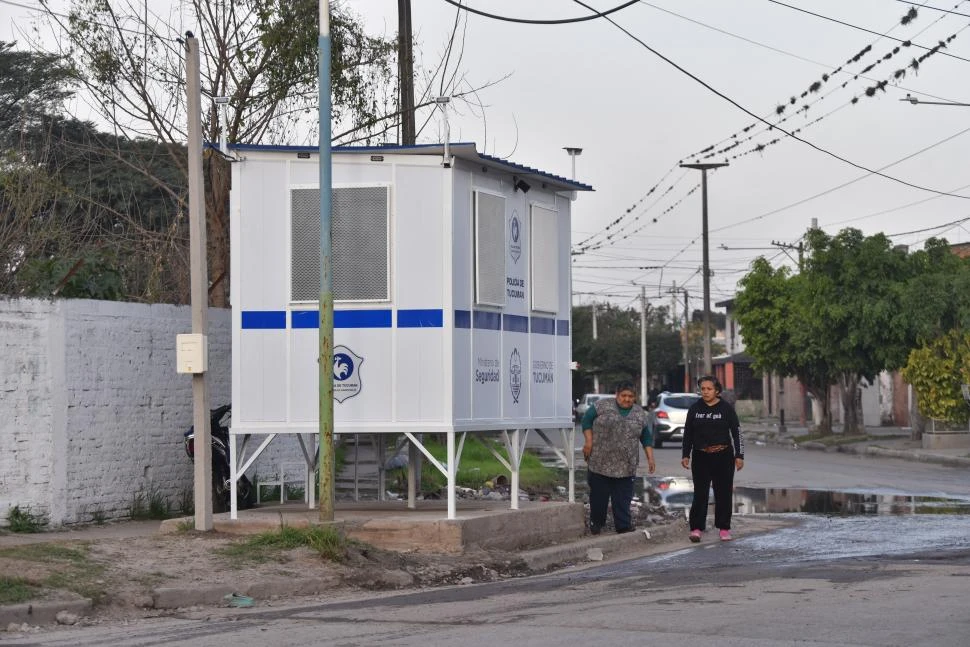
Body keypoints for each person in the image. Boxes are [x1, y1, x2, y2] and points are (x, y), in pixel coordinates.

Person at [581, 381, 656, 534]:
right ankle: (596, 523)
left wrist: (650, 458)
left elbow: (646, 436)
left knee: (623, 498)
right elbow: (586, 421)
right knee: (598, 498)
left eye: (630, 396)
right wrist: (588, 441)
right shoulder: (602, 406)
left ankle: (623, 525)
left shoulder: (639, 413)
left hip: (626, 464)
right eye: (623, 396)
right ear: (617, 395)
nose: (627, 399)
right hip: (600, 462)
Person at [680, 375, 745, 542]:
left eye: (709, 389)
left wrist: (739, 455)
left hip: (723, 456)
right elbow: (688, 433)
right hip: (701, 456)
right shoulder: (695, 409)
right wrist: (685, 454)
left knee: (723, 493)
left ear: (717, 391)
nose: (705, 392)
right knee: (700, 494)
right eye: (703, 389)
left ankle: (724, 528)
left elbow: (736, 432)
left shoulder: (726, 409)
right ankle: (696, 528)